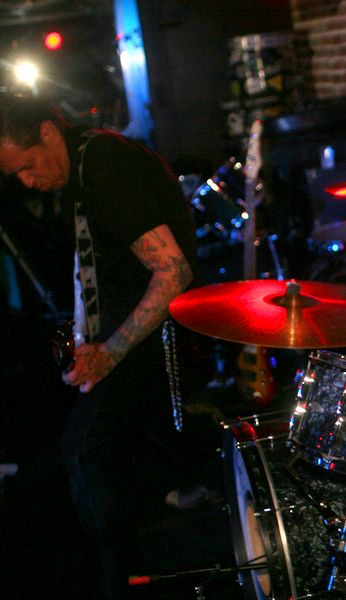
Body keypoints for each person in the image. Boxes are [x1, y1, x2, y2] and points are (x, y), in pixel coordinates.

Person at [0, 94, 199, 599]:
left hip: (148, 342)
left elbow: (172, 271)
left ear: (48, 133)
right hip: (124, 341)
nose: (27, 182)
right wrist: (84, 337)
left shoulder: (108, 166)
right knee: (117, 465)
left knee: (86, 456)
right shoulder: (84, 169)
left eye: (28, 166)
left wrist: (109, 351)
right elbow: (91, 263)